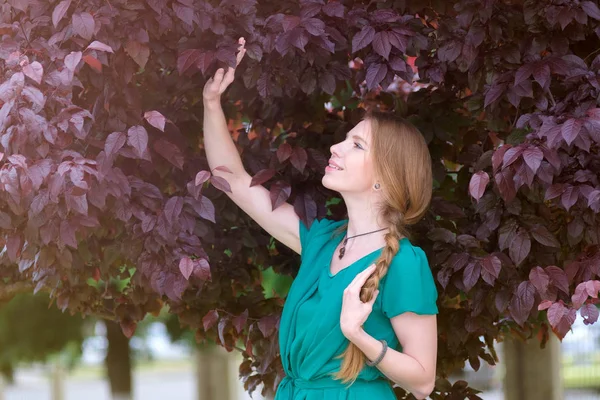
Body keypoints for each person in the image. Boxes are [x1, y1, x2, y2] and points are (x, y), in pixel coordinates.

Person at [202, 37, 438, 400]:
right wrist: (212, 103)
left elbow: (423, 382)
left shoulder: (404, 263)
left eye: (356, 145)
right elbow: (231, 179)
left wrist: (358, 334)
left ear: (385, 176)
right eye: (345, 139)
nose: (336, 148)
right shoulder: (322, 240)